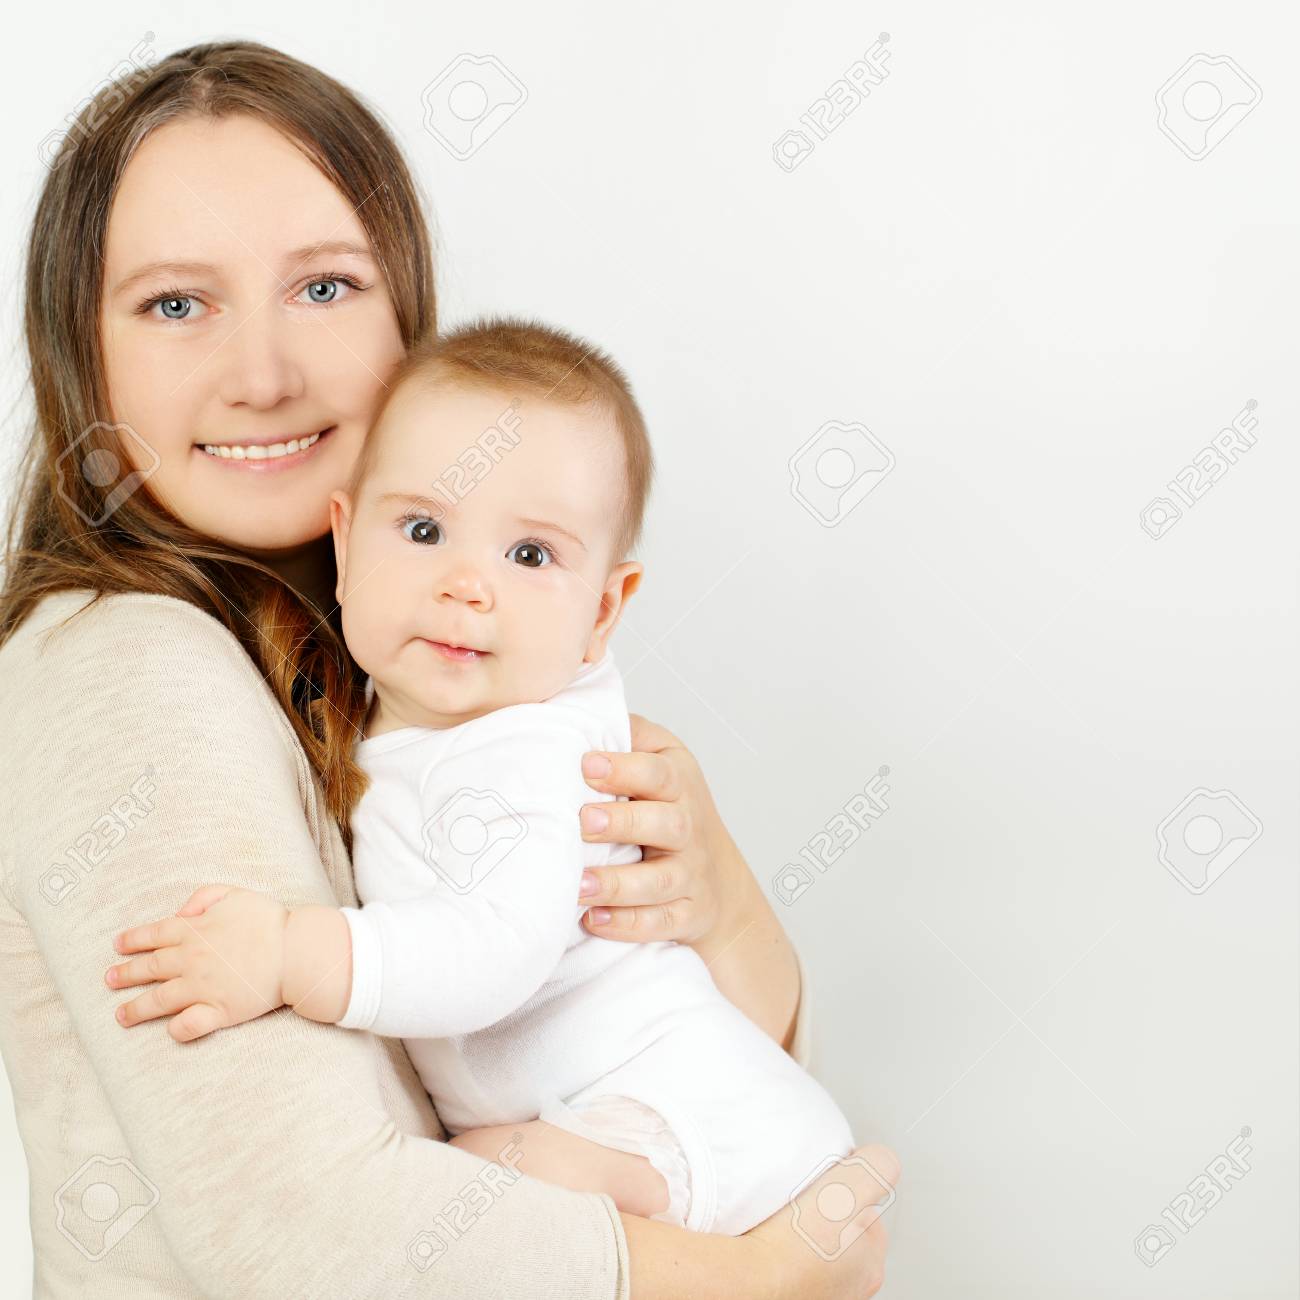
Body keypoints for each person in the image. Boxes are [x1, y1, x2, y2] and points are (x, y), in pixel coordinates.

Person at [0, 40, 896, 1297]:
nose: (262, 376)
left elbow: (660, 1049)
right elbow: (308, 1230)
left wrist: (725, 899)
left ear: (408, 314)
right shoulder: (130, 665)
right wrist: (765, 1277)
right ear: (76, 355)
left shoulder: (405, 663)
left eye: (323, 288)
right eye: (174, 303)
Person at [106, 317, 858, 1237]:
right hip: (620, 1114)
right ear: (345, 546)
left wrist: (286, 954)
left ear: (603, 612)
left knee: (467, 1197)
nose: (468, 584)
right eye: (423, 529)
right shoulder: (399, 720)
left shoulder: (537, 754)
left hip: (693, 1120)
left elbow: (491, 951)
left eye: (531, 555)